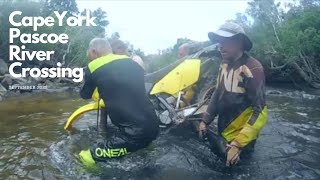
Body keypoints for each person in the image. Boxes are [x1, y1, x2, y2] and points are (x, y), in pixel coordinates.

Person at [79, 38, 159, 165]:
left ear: (93, 51)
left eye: (88, 53)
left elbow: (85, 94)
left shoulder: (94, 66)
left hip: (134, 134)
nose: (88, 56)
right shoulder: (131, 62)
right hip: (154, 125)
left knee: (86, 157)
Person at [198, 22, 267, 166]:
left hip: (241, 140)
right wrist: (205, 120)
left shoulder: (253, 68)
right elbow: (217, 94)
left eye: (225, 41)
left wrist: (238, 144)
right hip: (223, 132)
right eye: (219, 41)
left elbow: (260, 111)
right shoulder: (224, 66)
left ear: (240, 43)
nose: (220, 46)